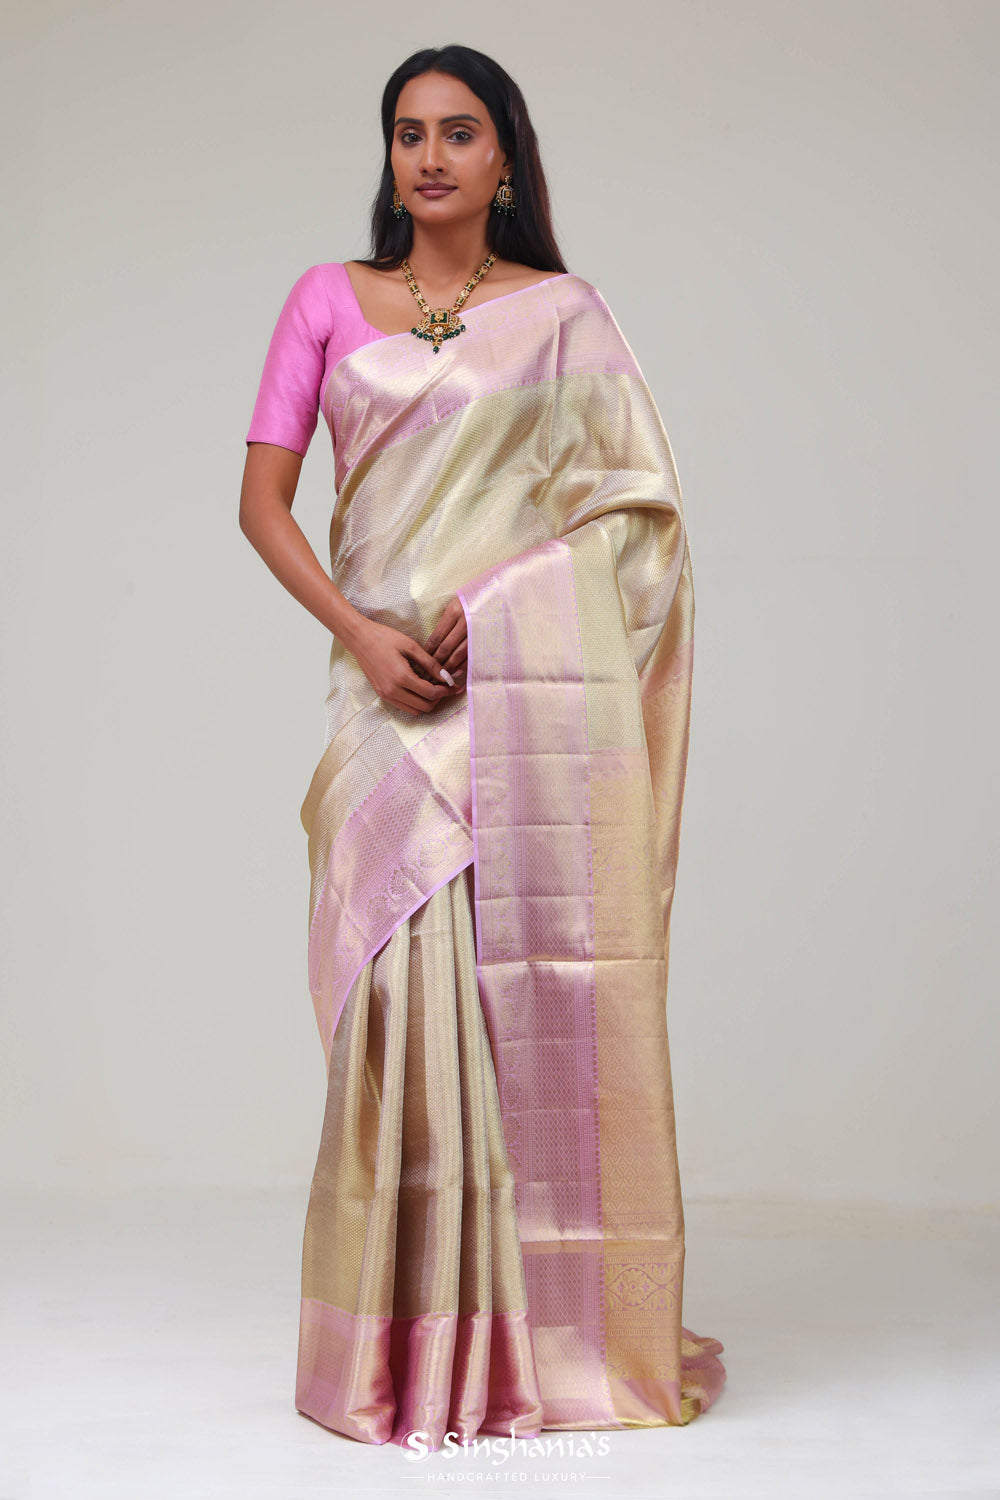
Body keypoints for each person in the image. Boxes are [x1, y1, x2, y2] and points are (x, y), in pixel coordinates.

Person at [239, 42, 726, 1453]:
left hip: (508, 696)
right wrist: (363, 632)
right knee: (397, 1007)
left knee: (514, 1007)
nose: (431, 157)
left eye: (460, 132)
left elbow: (637, 521)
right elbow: (264, 504)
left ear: (505, 155)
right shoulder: (325, 301)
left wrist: (498, 609)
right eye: (409, 133)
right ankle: (400, 1345)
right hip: (379, 697)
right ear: (388, 155)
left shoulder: (564, 316)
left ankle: (531, 1337)